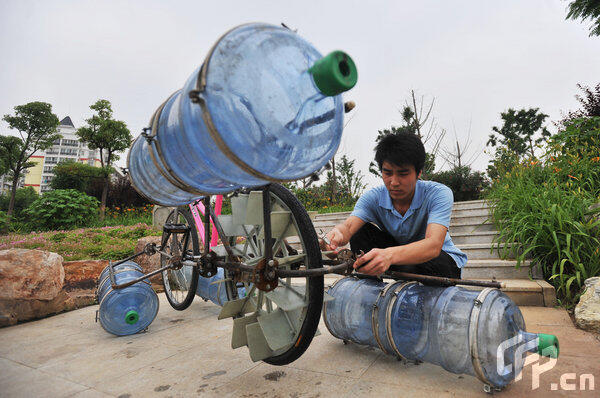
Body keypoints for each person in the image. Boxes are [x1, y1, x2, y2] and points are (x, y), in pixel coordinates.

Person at [323, 132, 467, 278]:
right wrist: (337, 234)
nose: (394, 182)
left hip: (439, 262)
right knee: (360, 233)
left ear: (418, 173)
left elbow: (433, 246)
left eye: (403, 174)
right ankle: (370, 290)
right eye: (387, 173)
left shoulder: (438, 193)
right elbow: (348, 227)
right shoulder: (373, 197)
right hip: (399, 259)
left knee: (424, 262)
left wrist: (389, 255)